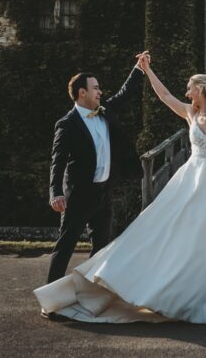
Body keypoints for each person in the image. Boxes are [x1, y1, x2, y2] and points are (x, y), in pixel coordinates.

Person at [34, 52, 206, 324]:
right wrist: (145, 70)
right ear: (81, 92)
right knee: (170, 228)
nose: (187, 91)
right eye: (95, 87)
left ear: (201, 89)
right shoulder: (190, 112)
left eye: (190, 87)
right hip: (187, 178)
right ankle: (56, 299)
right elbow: (165, 96)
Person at [45, 55, 147, 286]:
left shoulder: (104, 110)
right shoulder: (67, 124)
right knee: (66, 246)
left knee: (101, 247)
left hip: (104, 192)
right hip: (79, 195)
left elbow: (124, 94)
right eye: (96, 88)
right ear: (82, 92)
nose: (100, 92)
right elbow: (57, 161)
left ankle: (89, 291)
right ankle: (49, 296)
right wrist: (55, 192)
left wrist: (138, 69)